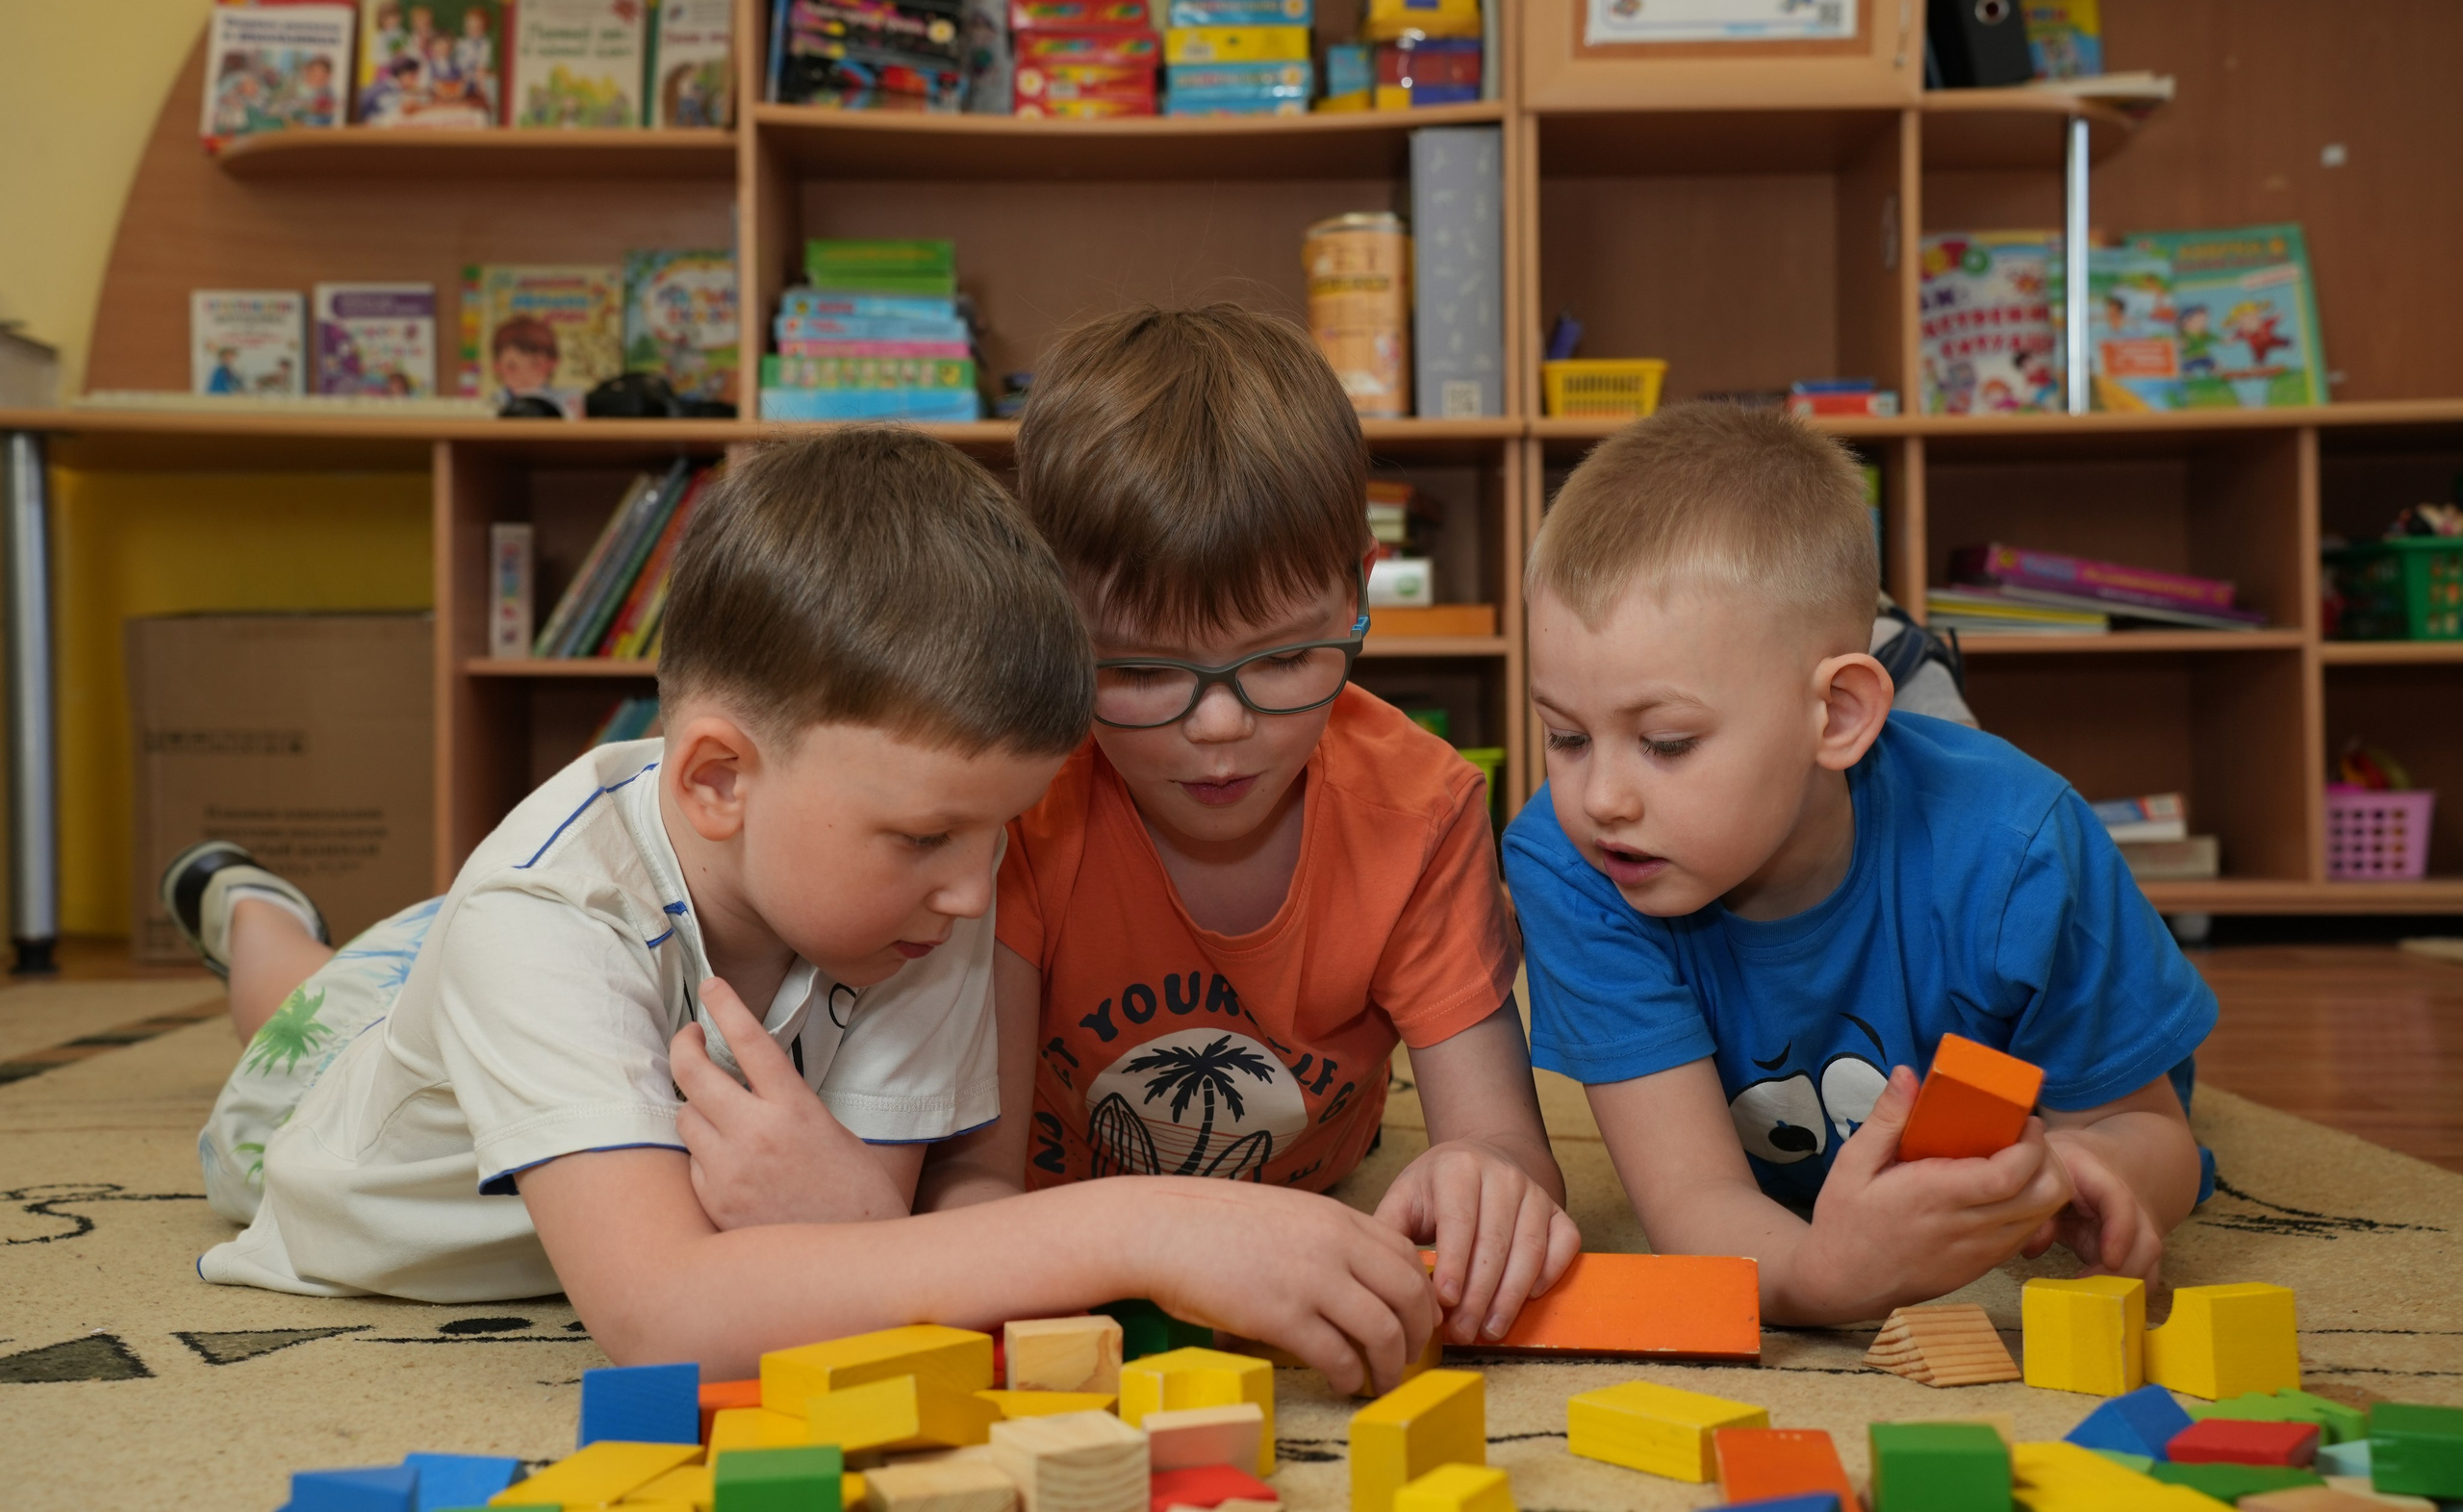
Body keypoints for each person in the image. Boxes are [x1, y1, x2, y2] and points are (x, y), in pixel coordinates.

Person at [173, 426, 1436, 1388]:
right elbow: (660, 1309)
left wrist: (860, 1209)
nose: (976, 883)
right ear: (720, 776)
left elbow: (858, 1234)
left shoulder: (924, 893)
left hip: (623, 960)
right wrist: (1147, 1223)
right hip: (352, 1084)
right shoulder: (536, 923)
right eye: (929, 832)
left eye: (995, 830)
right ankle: (243, 902)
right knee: (306, 994)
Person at [1502, 400, 2215, 1325]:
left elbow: (2155, 1133)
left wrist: (2093, 1174)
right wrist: (1825, 1273)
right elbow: (1693, 1200)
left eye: (1666, 742)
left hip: (2058, 1078)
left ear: (1836, 714)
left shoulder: (2023, 849)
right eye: (1563, 735)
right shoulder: (1571, 863)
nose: (1601, 797)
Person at [996, 306, 1580, 1348]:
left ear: (1359, 590)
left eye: (1278, 659)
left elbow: (1503, 1142)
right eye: (1136, 669)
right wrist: (1155, 1242)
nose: (1218, 728)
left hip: (1321, 1197)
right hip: (1064, 1233)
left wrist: (1489, 1181)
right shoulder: (1015, 804)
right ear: (1046, 621)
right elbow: (968, 1190)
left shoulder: (1422, 808)